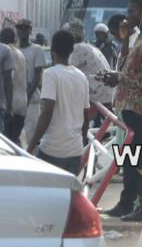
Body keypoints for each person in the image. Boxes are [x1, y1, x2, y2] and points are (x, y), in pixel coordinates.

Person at [99, 0, 142, 222]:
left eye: (132, 12)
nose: (127, 17)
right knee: (130, 160)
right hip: (128, 106)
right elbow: (125, 69)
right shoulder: (138, 38)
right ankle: (127, 203)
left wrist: (120, 78)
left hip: (140, 108)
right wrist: (124, 43)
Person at [28, 30, 90, 175]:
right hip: (75, 151)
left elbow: (47, 112)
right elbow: (86, 116)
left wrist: (31, 145)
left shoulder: (50, 74)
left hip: (53, 150)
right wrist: (82, 143)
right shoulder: (82, 77)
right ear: (71, 50)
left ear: (52, 50)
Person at [65, 20, 114, 114]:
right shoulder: (90, 46)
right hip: (107, 94)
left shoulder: (76, 49)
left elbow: (66, 72)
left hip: (97, 97)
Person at [17, 19, 48, 145]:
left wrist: (27, 96)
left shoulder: (37, 49)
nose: (22, 31)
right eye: (20, 28)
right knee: (17, 135)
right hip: (16, 99)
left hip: (32, 100)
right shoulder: (13, 49)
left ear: (30, 31)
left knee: (30, 135)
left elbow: (37, 75)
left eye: (25, 28)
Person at [0, 27, 27, 144]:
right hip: (22, 105)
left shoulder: (6, 51)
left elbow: (9, 78)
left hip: (9, 105)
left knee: (5, 143)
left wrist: (8, 108)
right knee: (14, 140)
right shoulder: (20, 53)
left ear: (1, 38)